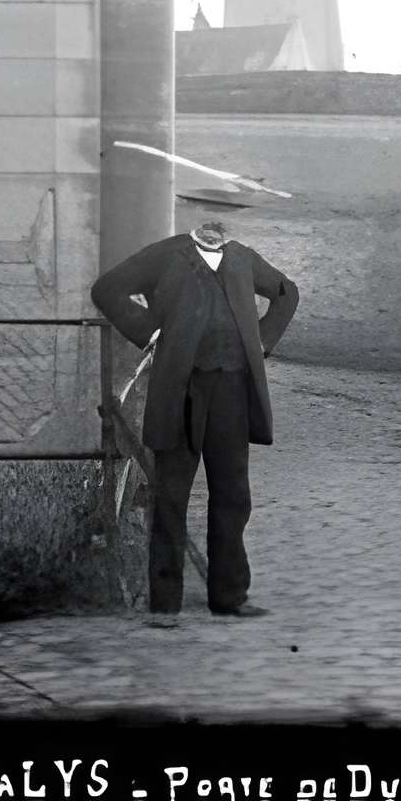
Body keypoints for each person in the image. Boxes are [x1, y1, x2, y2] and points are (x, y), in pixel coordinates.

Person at [90, 216, 300, 617]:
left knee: (233, 494)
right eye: (206, 220)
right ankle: (165, 605)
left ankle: (229, 597)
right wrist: (148, 331)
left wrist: (262, 339)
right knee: (171, 494)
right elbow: (108, 289)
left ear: (230, 231)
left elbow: (287, 294)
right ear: (194, 228)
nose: (214, 227)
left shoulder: (243, 259)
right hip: (179, 390)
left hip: (232, 392)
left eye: (221, 222)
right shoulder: (166, 255)